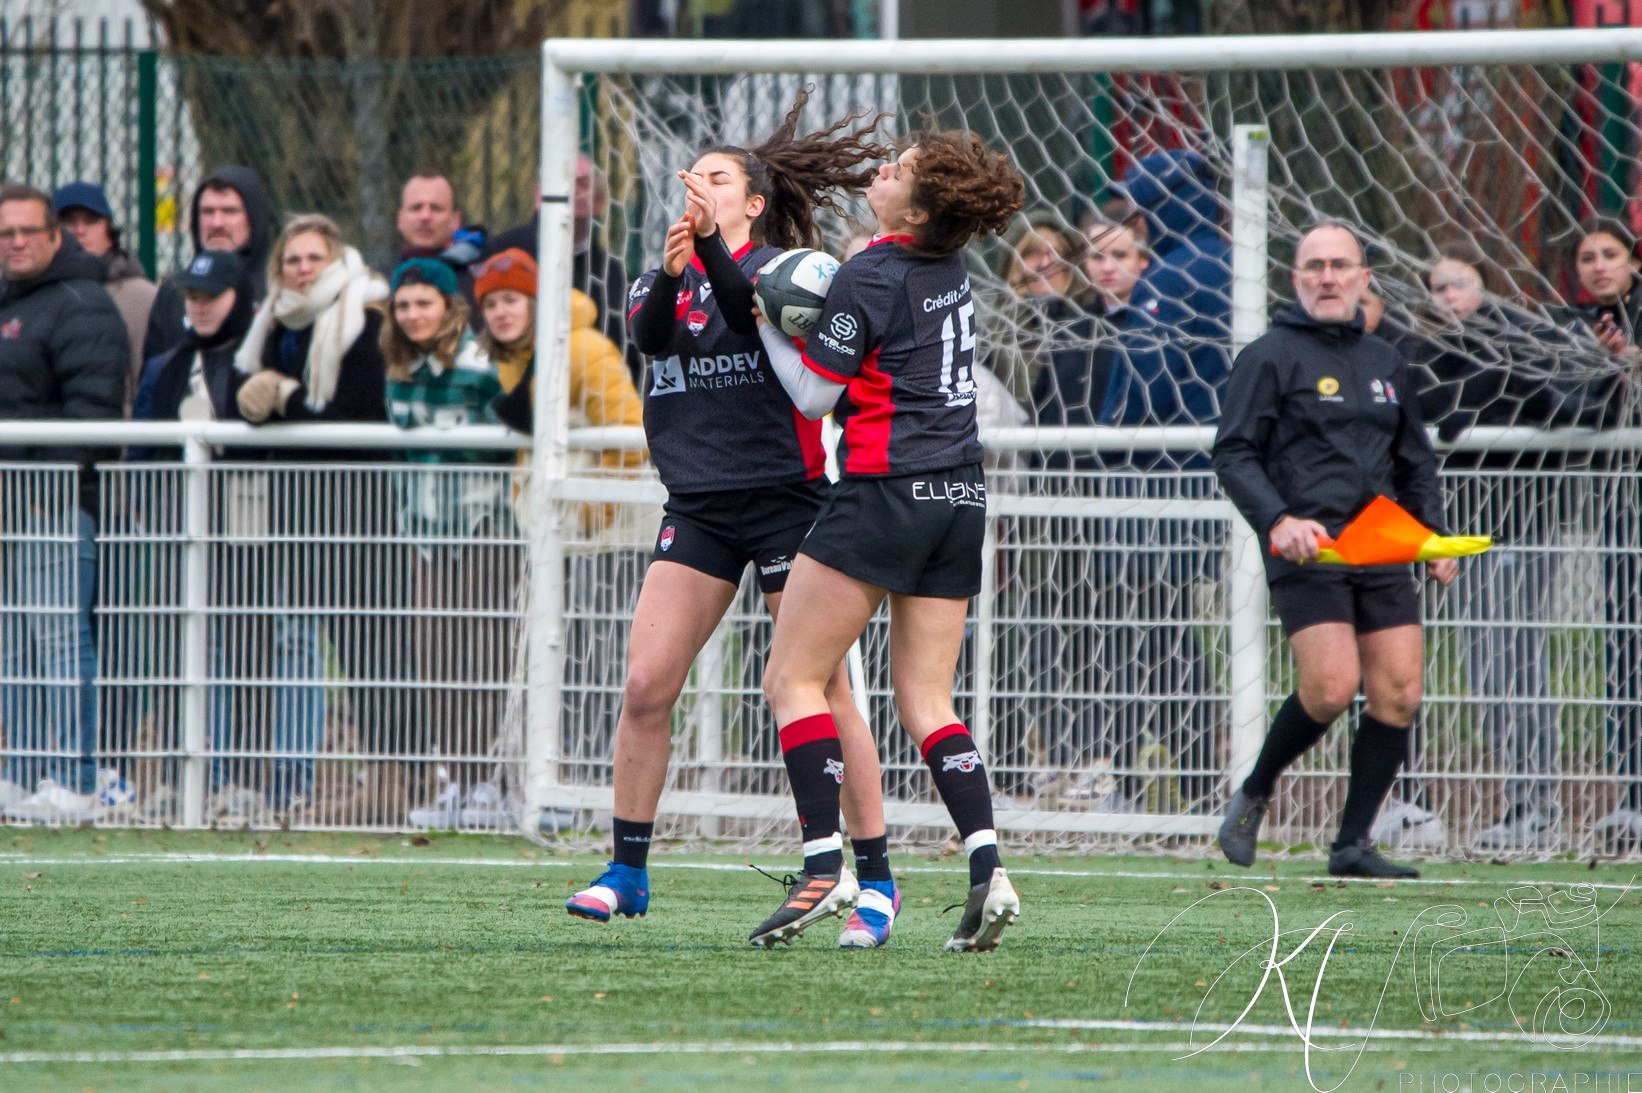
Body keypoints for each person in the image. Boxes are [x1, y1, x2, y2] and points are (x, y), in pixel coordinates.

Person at [564, 91, 903, 950]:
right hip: (701, 507)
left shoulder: (787, 274)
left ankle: (877, 878)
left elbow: (748, 306)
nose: (698, 184)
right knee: (646, 683)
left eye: (718, 177)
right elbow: (648, 336)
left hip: (789, 501)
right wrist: (678, 268)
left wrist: (710, 252)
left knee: (824, 690)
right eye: (695, 174)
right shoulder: (663, 275)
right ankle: (627, 870)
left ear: (752, 201)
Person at [752, 130, 1026, 950]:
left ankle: (822, 866)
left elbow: (810, 396)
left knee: (792, 679)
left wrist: (764, 314)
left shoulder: (870, 273)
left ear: (921, 207)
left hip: (883, 491)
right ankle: (989, 868)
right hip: (958, 495)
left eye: (897, 171)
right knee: (927, 703)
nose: (881, 171)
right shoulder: (948, 266)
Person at [1212, 221, 1458, 881]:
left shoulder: (1387, 363)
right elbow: (1233, 452)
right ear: (1296, 280)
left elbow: (1418, 463)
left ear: (1362, 278)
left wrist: (1432, 535)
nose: (1327, 276)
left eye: (1340, 265)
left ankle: (1352, 844)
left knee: (1400, 691)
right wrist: (1278, 520)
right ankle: (1256, 789)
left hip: (1381, 545)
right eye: (1314, 266)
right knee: (1329, 686)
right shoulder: (1269, 356)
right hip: (1308, 548)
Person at [1024, 216, 1216, 812]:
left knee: (1167, 644)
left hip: (1147, 515)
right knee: (1100, 649)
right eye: (1099, 255)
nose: (1108, 266)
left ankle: (1199, 780)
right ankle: (1113, 777)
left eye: (1122, 254)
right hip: (1075, 519)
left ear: (1143, 262)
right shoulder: (1072, 330)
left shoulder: (1166, 327)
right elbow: (1047, 419)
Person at [226, 214, 394, 821]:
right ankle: (289, 780)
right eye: (291, 259)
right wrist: (252, 399)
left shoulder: (368, 314)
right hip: (292, 505)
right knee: (293, 641)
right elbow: (245, 397)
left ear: (336, 256)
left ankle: (394, 781)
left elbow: (360, 409)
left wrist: (287, 398)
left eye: (312, 257)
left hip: (357, 509)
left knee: (366, 646)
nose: (301, 268)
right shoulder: (272, 322)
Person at [0, 184, 129, 822]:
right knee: (11, 644)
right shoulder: (9, 302)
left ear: (57, 238)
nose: (16, 242)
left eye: (28, 231)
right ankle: (19, 774)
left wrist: (41, 485)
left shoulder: (83, 303)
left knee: (59, 638)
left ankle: (76, 779)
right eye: (5, 233)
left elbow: (94, 410)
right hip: (6, 506)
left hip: (52, 503)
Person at [380, 257, 515, 820]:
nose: (413, 315)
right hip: (426, 534)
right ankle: (455, 780)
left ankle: (489, 782)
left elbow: (503, 437)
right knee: (434, 655)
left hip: (480, 526)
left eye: (423, 303)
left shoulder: (479, 361)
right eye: (404, 305)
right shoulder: (400, 367)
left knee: (483, 652)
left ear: (448, 305)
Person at [1563, 218, 1642, 848]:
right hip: (1619, 511)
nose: (1598, 267)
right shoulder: (1574, 327)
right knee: (1622, 642)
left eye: (1610, 254)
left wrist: (1630, 361)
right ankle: (1630, 791)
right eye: (1587, 257)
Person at [484, 154, 636, 381]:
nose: (572, 190)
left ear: (600, 201)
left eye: (582, 183)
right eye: (561, 180)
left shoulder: (613, 276)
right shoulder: (501, 253)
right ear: (538, 195)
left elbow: (629, 355)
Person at [1109, 149, 1230, 422]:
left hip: (1175, 454)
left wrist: (1107, 445)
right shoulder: (1236, 262)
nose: (1134, 222)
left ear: (1164, 207)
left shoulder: (1167, 280)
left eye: (1138, 209)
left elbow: (1148, 383)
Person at [144, 166, 278, 363]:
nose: (217, 223)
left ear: (254, 217)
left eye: (229, 211)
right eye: (207, 212)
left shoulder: (277, 285)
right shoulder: (175, 290)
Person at [53, 181, 158, 411]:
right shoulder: (35, 294)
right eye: (69, 221)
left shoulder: (140, 296)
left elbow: (147, 377)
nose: (79, 230)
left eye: (91, 221)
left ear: (108, 230)